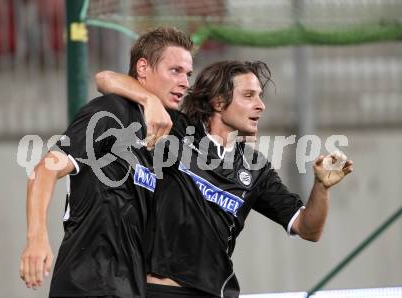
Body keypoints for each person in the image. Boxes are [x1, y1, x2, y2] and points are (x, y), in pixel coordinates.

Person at [95, 60, 353, 297]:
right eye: (249, 96)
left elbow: (308, 229)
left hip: (216, 292)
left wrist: (321, 186)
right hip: (160, 290)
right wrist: (150, 101)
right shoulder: (177, 131)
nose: (260, 105)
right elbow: (105, 79)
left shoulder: (256, 168)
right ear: (219, 102)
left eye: (260, 97)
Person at [19, 27, 193, 298]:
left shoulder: (168, 136)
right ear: (143, 68)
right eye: (175, 71)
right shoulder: (110, 112)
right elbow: (44, 170)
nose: (185, 82)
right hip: (88, 284)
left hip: (129, 288)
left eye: (188, 74)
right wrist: (36, 238)